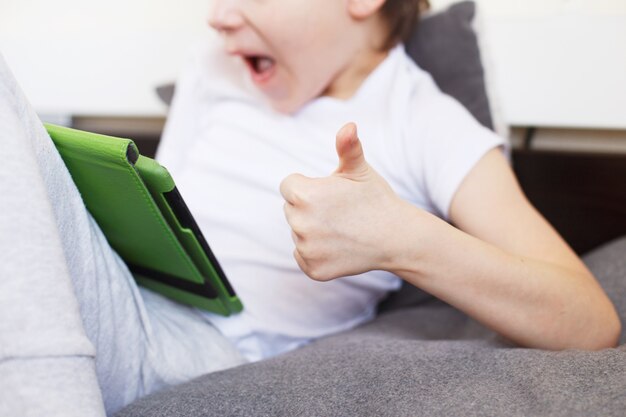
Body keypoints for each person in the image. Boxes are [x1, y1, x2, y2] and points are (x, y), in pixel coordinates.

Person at [0, 0, 620, 416]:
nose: (217, 17)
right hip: (112, 296)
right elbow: (171, 200)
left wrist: (405, 239)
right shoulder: (215, 67)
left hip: (197, 347)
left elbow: (590, 322)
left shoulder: (425, 121)